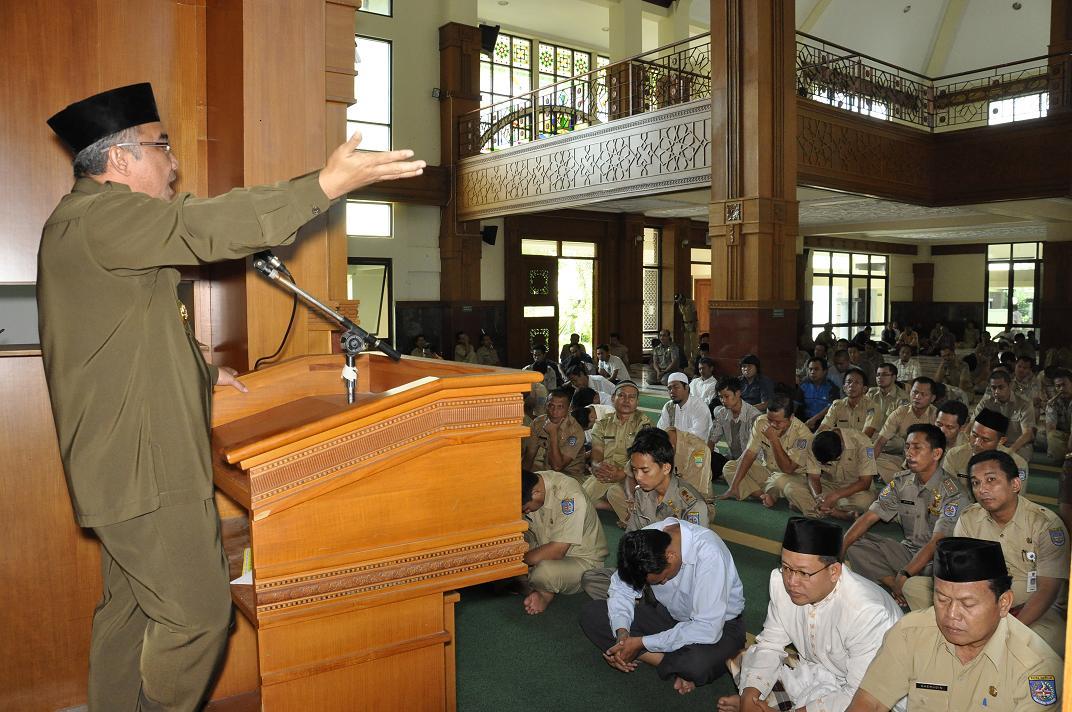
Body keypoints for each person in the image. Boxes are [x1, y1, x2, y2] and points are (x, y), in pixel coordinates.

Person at [37, 82, 426, 710]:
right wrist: (320, 187)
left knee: (131, 610)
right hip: (147, 469)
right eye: (162, 147)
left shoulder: (84, 222)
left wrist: (196, 369)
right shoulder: (105, 216)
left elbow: (122, 331)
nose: (174, 164)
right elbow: (201, 226)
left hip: (120, 467)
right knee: (197, 618)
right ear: (120, 160)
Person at [847, 537, 1063, 711]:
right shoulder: (910, 632)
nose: (951, 615)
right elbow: (870, 703)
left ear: (1003, 603)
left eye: (967, 604)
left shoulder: (1036, 668)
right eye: (941, 599)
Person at [717, 519, 902, 712]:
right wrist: (749, 697)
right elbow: (770, 645)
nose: (792, 582)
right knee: (745, 659)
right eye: (786, 567)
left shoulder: (867, 612)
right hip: (817, 672)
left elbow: (861, 696)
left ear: (834, 571)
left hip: (867, 694)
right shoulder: (781, 584)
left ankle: (776, 705)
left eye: (804, 573)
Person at [903, 451, 1069, 654]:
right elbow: (958, 573)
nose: (982, 489)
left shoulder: (1046, 525)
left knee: (1041, 645)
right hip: (978, 603)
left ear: (1015, 485)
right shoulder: (969, 518)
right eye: (976, 483)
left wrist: (1007, 629)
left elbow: (1047, 591)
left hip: (1033, 610)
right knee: (914, 587)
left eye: (991, 480)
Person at [579, 519, 746, 695]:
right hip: (669, 616)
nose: (664, 582)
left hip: (721, 626)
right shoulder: (643, 541)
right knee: (592, 613)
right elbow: (621, 589)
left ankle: (644, 654)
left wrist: (641, 642)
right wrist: (623, 635)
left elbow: (707, 628)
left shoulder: (710, 553)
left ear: (671, 556)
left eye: (662, 578)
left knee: (696, 665)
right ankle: (648, 656)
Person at [842, 425, 967, 610]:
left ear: (936, 453)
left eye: (917, 447)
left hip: (937, 563)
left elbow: (937, 543)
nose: (909, 453)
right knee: (853, 542)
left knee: (942, 580)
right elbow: (869, 517)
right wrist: (840, 549)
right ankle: (896, 587)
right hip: (907, 552)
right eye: (907, 447)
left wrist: (906, 573)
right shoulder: (901, 482)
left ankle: (904, 585)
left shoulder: (954, 493)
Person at [581, 428, 711, 600]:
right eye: (634, 470)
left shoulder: (692, 505)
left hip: (672, 579)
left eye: (645, 470)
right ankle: (642, 602)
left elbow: (693, 561)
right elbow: (631, 537)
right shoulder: (642, 494)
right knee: (591, 579)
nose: (638, 477)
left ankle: (644, 604)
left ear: (665, 468)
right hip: (645, 573)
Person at [520, 469, 608, 615]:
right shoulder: (530, 483)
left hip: (581, 560)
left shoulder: (569, 497)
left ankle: (543, 591)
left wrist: (518, 561)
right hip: (542, 545)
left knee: (543, 573)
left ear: (536, 493)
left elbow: (558, 550)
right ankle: (535, 586)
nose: (524, 513)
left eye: (526, 509)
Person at [719, 394, 821, 508]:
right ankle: (764, 496)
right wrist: (734, 485)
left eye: (778, 422)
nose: (772, 424)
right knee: (730, 466)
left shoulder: (803, 435)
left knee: (780, 482)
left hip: (790, 476)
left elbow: (788, 469)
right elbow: (750, 453)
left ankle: (765, 491)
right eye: (770, 419)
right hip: (767, 470)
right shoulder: (761, 421)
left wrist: (773, 439)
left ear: (791, 417)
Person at [583, 381, 652, 522]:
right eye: (622, 396)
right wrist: (597, 466)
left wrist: (622, 473)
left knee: (631, 505)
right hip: (606, 473)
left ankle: (630, 518)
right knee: (580, 500)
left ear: (637, 401)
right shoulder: (602, 424)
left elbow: (644, 457)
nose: (626, 400)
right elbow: (596, 451)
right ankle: (609, 505)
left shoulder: (644, 423)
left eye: (631, 397)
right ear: (613, 397)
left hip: (632, 475)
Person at [783, 427, 877, 520]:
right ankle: (838, 514)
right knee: (790, 488)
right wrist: (818, 497)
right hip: (828, 485)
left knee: (864, 502)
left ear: (842, 446)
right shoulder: (815, 442)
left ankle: (810, 508)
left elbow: (865, 482)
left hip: (854, 488)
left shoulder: (863, 442)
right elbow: (813, 477)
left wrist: (835, 496)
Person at [941, 408, 1029, 497]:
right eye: (974, 435)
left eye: (985, 439)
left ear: (1001, 441)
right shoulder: (955, 455)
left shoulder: (1017, 464)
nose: (977, 443)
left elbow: (1014, 499)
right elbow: (948, 491)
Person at [872, 377, 938, 482]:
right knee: (870, 457)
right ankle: (904, 479)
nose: (917, 397)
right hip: (902, 459)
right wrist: (867, 464)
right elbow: (880, 442)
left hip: (926, 462)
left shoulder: (936, 416)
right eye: (915, 392)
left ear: (932, 398)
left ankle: (901, 479)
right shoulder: (900, 412)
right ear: (910, 392)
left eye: (923, 394)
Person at [522, 388, 587, 482]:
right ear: (545, 406)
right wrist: (522, 480)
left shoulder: (575, 431)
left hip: (570, 476)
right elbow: (530, 455)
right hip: (546, 471)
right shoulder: (538, 423)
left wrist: (553, 432)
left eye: (560, 407)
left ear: (568, 409)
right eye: (551, 406)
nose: (554, 411)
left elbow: (557, 466)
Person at [974, 369, 1037, 462]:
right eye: (993, 387)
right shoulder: (986, 403)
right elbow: (973, 424)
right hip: (991, 443)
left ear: (1010, 385)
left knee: (1012, 462)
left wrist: (1010, 450)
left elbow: (1027, 434)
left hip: (1017, 445)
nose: (996, 391)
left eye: (1001, 387)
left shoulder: (1024, 404)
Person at [708, 376, 762, 481]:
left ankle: (733, 476)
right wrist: (703, 460)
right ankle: (730, 475)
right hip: (732, 461)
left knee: (728, 469)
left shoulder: (754, 416)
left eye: (726, 396)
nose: (723, 400)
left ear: (738, 393)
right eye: (720, 397)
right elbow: (712, 440)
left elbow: (756, 454)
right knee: (704, 456)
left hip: (753, 463)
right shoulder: (722, 413)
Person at [819, 367, 880, 437]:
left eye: (857, 382)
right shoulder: (837, 405)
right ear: (844, 388)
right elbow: (824, 427)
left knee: (870, 448)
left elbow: (867, 434)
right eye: (849, 382)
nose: (851, 385)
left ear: (864, 389)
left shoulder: (872, 408)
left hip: (868, 445)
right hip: (843, 445)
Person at [658, 372, 712, 441]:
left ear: (686, 388)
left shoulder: (699, 406)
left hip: (698, 449)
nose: (672, 391)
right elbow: (661, 429)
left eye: (676, 387)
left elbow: (698, 435)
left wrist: (673, 435)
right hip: (674, 447)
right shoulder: (669, 407)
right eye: (669, 388)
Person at [867, 362, 909, 433]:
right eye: (878, 375)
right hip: (870, 432)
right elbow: (867, 415)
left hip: (891, 436)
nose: (880, 377)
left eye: (884, 374)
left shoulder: (903, 397)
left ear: (894, 377)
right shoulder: (871, 393)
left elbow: (899, 424)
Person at [800, 357, 839, 429]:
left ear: (825, 371)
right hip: (805, 421)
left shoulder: (832, 388)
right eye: (810, 369)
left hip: (825, 422)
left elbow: (831, 407)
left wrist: (814, 419)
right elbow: (796, 404)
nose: (812, 372)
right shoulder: (803, 385)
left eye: (816, 369)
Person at [1044, 367, 1072, 463]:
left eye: (1064, 385)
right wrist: (1051, 447)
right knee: (1042, 436)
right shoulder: (1053, 402)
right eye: (1058, 386)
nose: (1061, 389)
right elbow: (1051, 429)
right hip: (1063, 435)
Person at [675, 293, 699, 367]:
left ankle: (694, 360)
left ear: (683, 298)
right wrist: (682, 325)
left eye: (680, 301)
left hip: (692, 323)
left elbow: (695, 314)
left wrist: (694, 325)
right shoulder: (680, 305)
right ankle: (689, 361)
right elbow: (682, 315)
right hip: (685, 324)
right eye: (678, 302)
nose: (679, 302)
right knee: (686, 345)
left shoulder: (691, 303)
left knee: (694, 343)